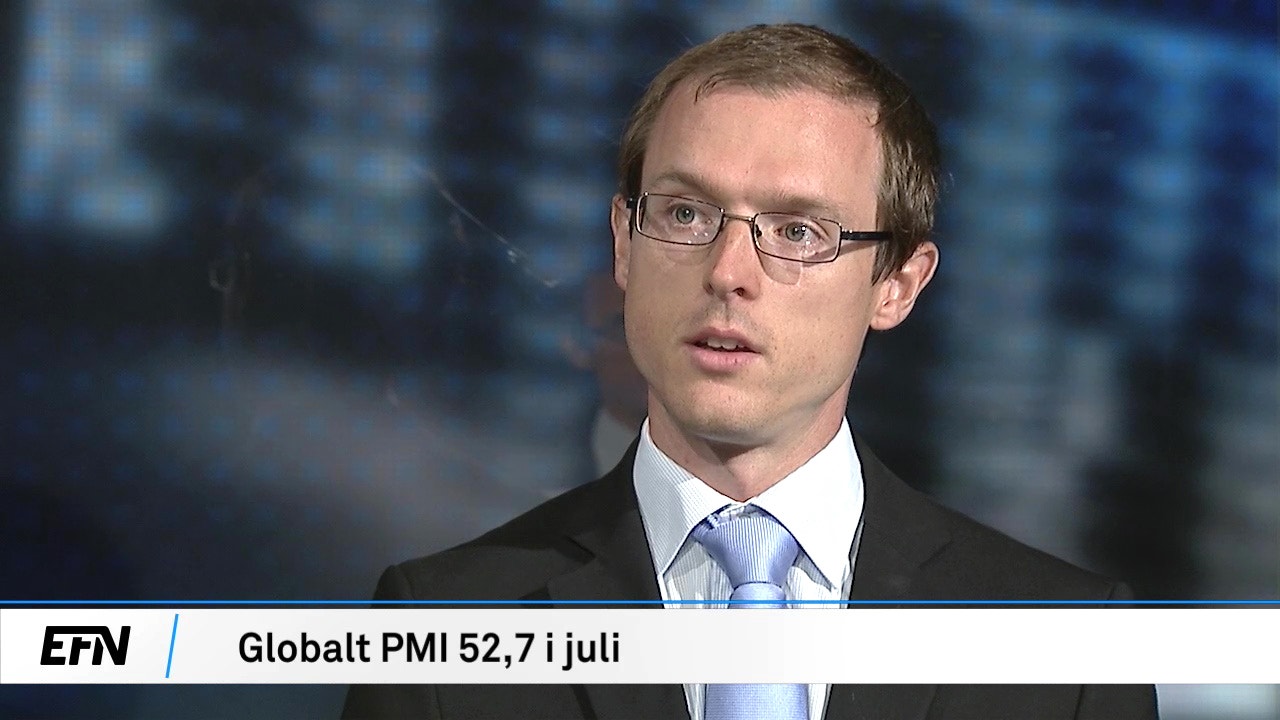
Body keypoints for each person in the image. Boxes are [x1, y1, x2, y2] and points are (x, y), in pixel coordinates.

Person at [343, 23, 1158, 719]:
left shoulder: (1070, 651)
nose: (729, 272)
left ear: (898, 285)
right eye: (686, 213)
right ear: (624, 244)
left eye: (798, 231)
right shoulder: (440, 630)